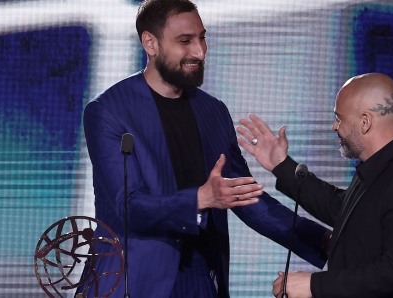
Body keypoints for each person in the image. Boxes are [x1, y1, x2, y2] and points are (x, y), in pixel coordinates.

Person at [76, 0, 330, 297]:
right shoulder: (109, 111)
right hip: (133, 279)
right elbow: (127, 207)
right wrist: (200, 198)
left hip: (201, 278)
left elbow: (247, 200)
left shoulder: (213, 111)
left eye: (202, 37)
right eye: (185, 41)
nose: (200, 51)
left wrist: (326, 241)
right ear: (150, 43)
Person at [237, 73, 393, 298]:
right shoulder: (382, 169)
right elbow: (342, 209)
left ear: (365, 122)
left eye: (339, 117)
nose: (334, 126)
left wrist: (314, 285)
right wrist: (281, 165)